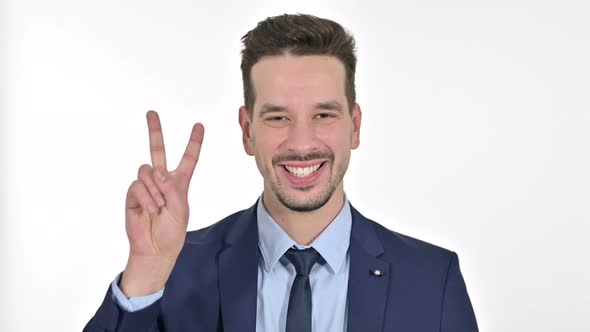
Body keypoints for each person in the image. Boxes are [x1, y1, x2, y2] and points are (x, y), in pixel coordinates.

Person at [84, 13, 478, 332]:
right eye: (278, 117)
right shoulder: (174, 270)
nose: (302, 142)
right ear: (247, 131)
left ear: (354, 126)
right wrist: (146, 273)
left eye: (324, 114)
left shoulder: (432, 281)